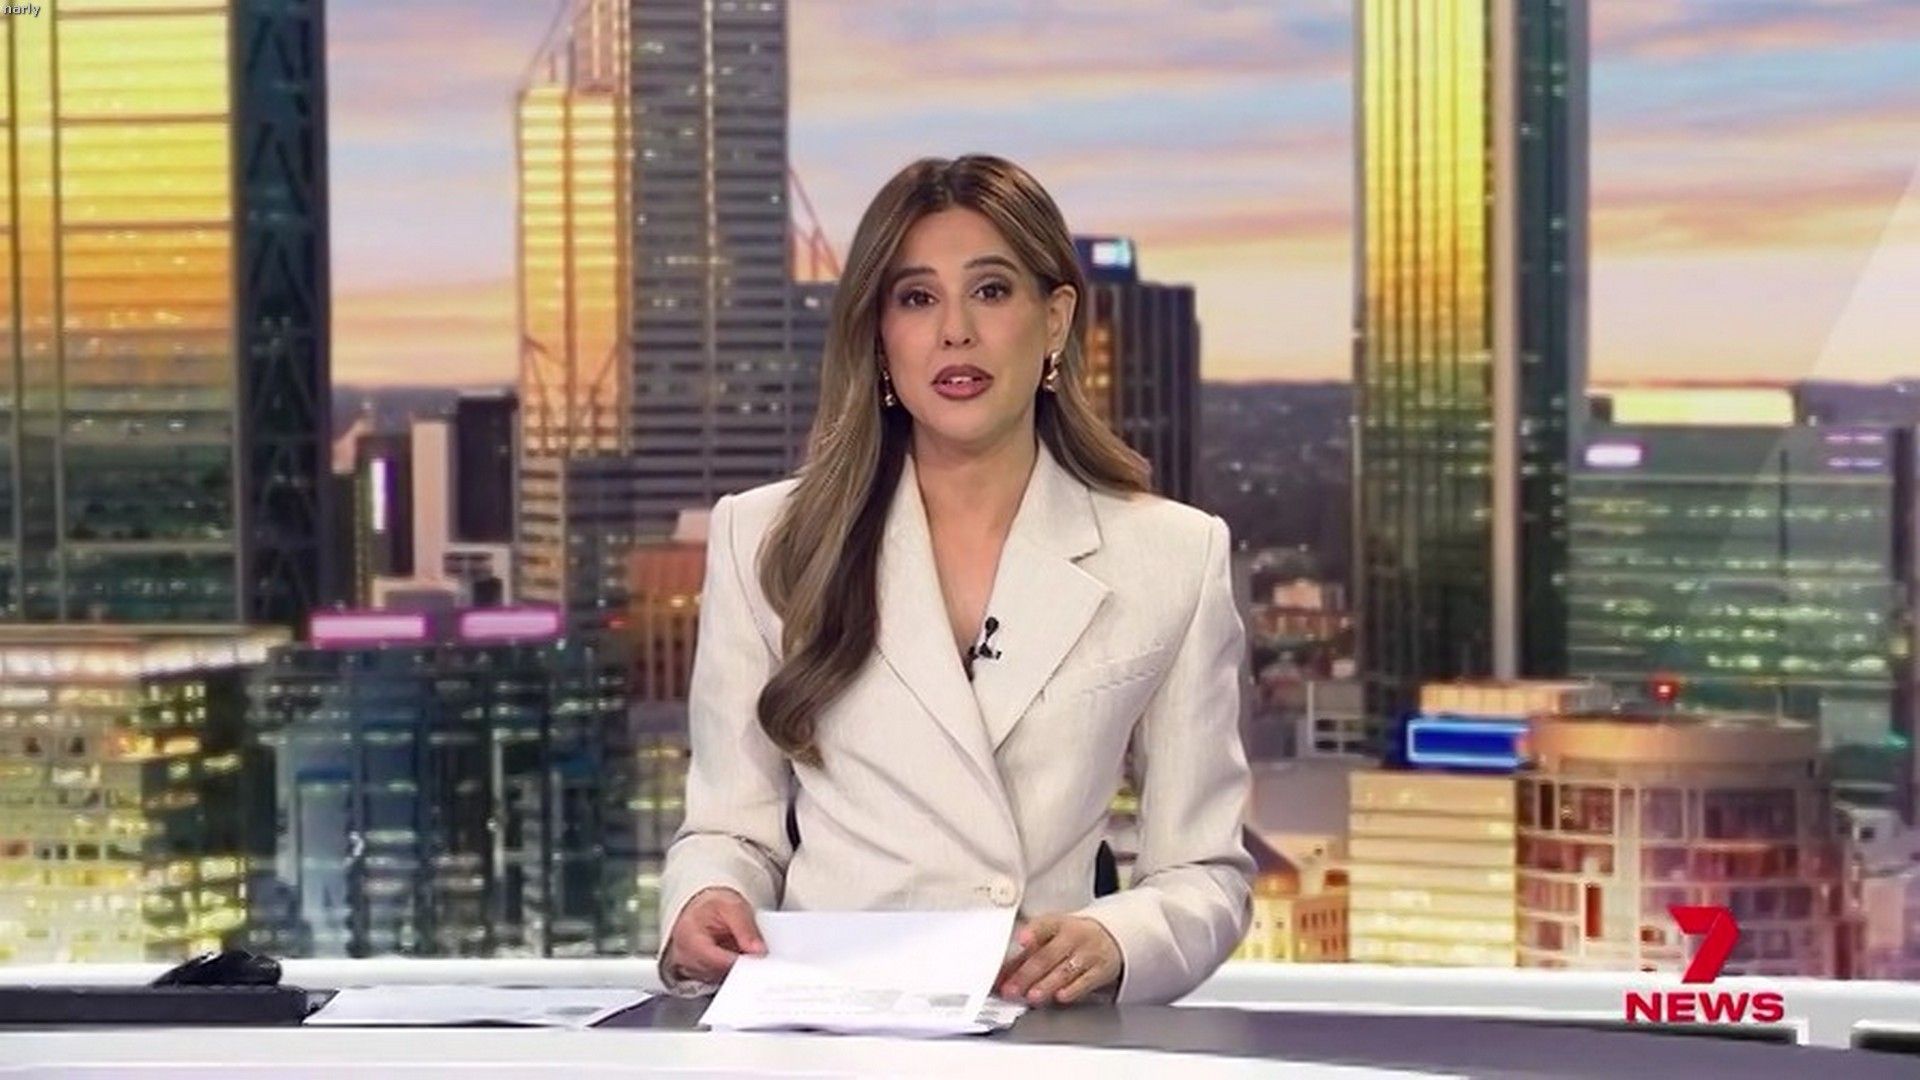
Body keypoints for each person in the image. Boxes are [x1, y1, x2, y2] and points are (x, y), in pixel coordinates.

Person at [658, 154, 1255, 1007]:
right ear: (879, 335)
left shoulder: (1173, 556)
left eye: (991, 291)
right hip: (826, 1027)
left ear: (1054, 321)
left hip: (1038, 1025)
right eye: (916, 298)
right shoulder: (765, 539)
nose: (955, 332)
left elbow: (1203, 871)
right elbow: (728, 828)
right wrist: (707, 898)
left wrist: (1118, 939)